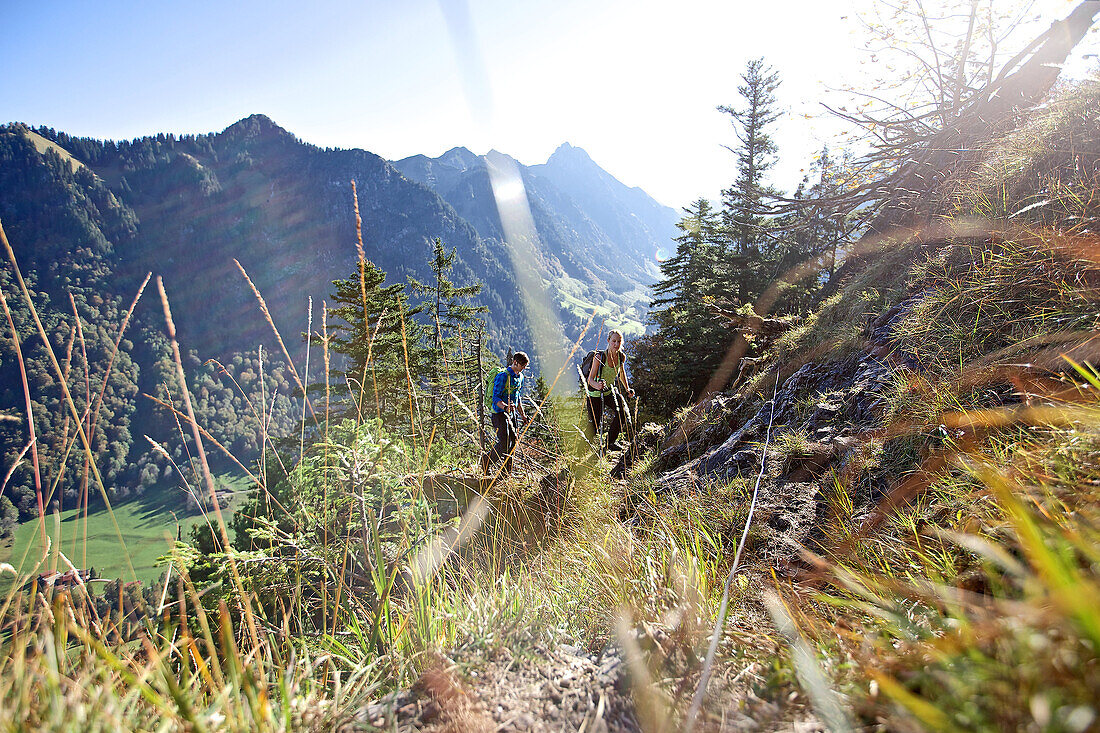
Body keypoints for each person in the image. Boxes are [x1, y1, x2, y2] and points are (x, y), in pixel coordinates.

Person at [585, 330, 635, 451]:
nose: (616, 344)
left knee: (621, 413)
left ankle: (610, 443)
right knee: (594, 425)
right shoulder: (599, 357)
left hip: (609, 392)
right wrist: (597, 385)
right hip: (594, 395)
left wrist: (627, 389)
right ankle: (581, 450)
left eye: (619, 341)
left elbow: (622, 374)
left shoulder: (621, 357)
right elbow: (589, 380)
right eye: (613, 341)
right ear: (608, 341)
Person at [482, 351, 529, 475]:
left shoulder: (520, 377)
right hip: (499, 414)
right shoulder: (503, 376)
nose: (524, 368)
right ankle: (486, 461)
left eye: (525, 366)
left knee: (513, 443)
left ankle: (506, 472)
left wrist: (523, 415)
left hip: (512, 414)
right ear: (515, 362)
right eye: (522, 365)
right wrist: (505, 407)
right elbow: (495, 398)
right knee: (504, 443)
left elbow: (517, 398)